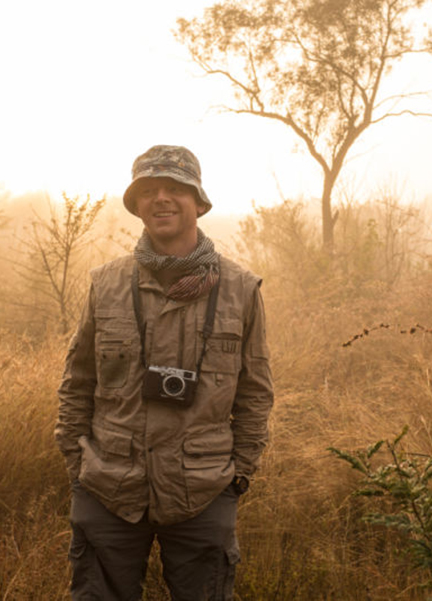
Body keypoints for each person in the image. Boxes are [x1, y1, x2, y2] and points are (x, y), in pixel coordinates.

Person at [55, 145, 274, 600]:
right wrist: (79, 468)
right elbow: (77, 383)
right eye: (149, 190)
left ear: (199, 201)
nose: (161, 199)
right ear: (136, 205)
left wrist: (238, 477)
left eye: (175, 188)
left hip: (204, 491)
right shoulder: (106, 284)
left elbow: (255, 393)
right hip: (107, 486)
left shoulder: (239, 289)